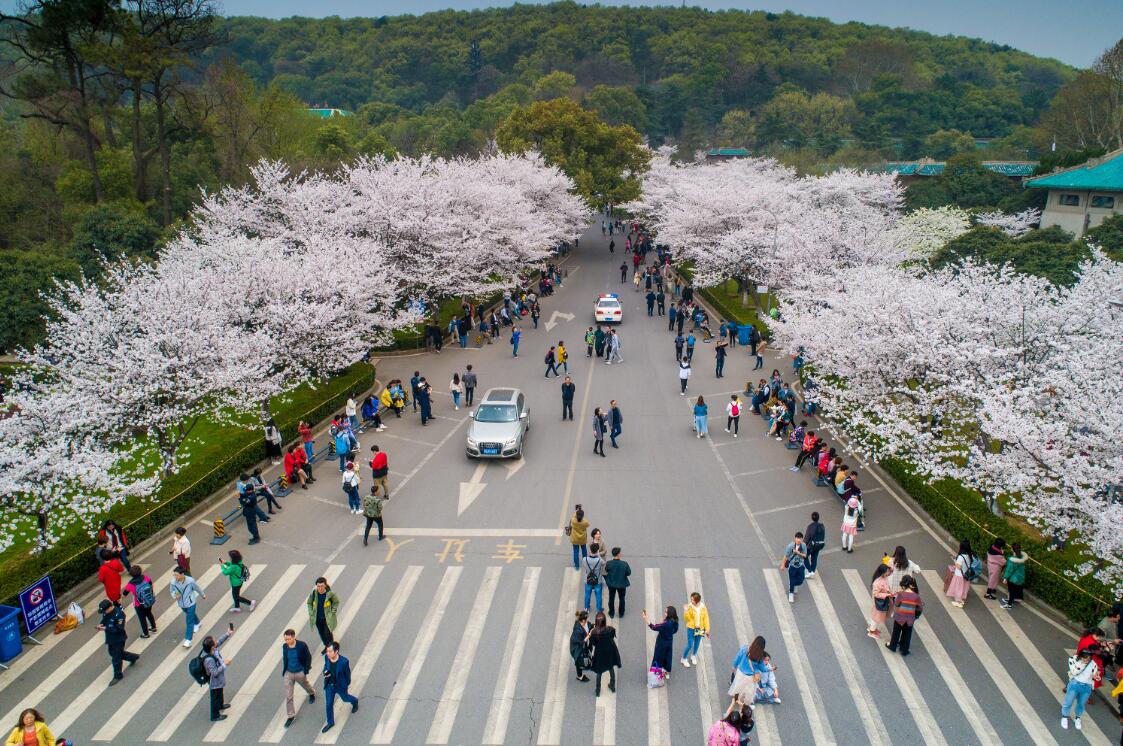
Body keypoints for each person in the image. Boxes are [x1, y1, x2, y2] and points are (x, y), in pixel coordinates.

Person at [96, 599, 139, 685]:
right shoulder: (106, 612)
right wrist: (101, 624)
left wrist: (106, 629)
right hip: (110, 637)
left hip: (119, 639)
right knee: (112, 653)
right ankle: (133, 657)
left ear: (109, 608)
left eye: (105, 610)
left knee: (116, 658)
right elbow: (105, 619)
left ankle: (118, 675)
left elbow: (119, 628)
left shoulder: (119, 614)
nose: (104, 612)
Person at [321, 641, 359, 733]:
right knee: (329, 704)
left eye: (330, 651)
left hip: (340, 686)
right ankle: (330, 722)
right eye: (327, 651)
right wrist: (325, 672)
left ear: (336, 651)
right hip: (329, 685)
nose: (328, 653)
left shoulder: (344, 662)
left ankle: (355, 701)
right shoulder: (327, 657)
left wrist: (346, 684)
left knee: (345, 698)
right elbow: (326, 666)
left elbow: (347, 674)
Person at [280, 629, 315, 729]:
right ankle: (291, 716)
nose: (286, 641)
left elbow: (308, 657)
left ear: (294, 637)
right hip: (289, 673)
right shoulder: (285, 646)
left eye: (288, 639)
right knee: (288, 696)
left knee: (306, 685)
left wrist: (306, 670)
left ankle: (312, 693)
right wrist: (285, 670)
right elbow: (285, 658)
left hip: (300, 672)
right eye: (285, 639)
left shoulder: (301, 645)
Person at [1062, 646, 1100, 730]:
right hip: (1075, 683)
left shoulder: (1093, 663)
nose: (1086, 660)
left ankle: (1077, 718)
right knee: (1068, 702)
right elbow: (1074, 672)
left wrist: (1096, 676)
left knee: (1081, 704)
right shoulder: (1073, 659)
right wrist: (1082, 664)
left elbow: (1095, 675)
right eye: (1084, 658)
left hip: (1087, 686)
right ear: (1080, 656)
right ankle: (1065, 717)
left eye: (1088, 658)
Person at [202, 628, 234, 721]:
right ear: (212, 647)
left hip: (218, 680)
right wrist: (225, 664)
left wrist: (228, 633)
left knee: (220, 692)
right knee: (214, 697)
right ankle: (215, 715)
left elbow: (219, 641)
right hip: (214, 681)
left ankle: (220, 705)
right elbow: (214, 672)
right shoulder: (209, 659)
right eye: (214, 640)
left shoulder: (212, 649)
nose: (216, 641)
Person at [886, 575, 923, 656]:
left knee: (896, 633)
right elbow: (920, 608)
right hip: (910, 619)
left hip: (899, 617)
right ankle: (904, 649)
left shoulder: (901, 594)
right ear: (911, 584)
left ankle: (893, 646)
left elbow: (897, 604)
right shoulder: (916, 596)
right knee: (907, 634)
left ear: (903, 585)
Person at [586, 611, 621, 697]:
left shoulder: (594, 632)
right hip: (609, 651)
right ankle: (612, 685)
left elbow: (593, 643)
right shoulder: (610, 629)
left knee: (599, 671)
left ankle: (598, 690)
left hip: (599, 653)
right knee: (610, 667)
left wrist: (592, 632)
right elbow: (612, 637)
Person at [170, 565, 205, 648]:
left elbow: (197, 588)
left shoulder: (190, 581)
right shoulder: (173, 582)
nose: (175, 577)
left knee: (189, 621)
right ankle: (198, 623)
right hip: (181, 604)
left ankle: (188, 640)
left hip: (191, 603)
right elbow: (171, 591)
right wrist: (175, 596)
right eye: (174, 575)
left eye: (177, 575)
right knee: (190, 615)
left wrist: (202, 594)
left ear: (182, 574)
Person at [121, 565, 158, 638]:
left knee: (142, 618)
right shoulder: (146, 578)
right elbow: (151, 586)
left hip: (138, 604)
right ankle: (153, 627)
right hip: (148, 600)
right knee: (149, 613)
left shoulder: (130, 584)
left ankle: (146, 633)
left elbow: (124, 595)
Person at [644, 606, 679, 678]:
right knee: (667, 656)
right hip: (669, 641)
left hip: (661, 642)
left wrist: (646, 619)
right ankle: (666, 671)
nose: (665, 613)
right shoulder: (675, 621)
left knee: (658, 656)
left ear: (670, 613)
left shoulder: (666, 624)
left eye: (666, 612)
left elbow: (654, 627)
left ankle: (657, 672)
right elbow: (675, 630)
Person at [306, 577, 340, 652]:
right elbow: (309, 603)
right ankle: (326, 645)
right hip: (317, 618)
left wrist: (333, 611)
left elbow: (336, 602)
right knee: (321, 633)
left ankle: (331, 647)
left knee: (327, 633)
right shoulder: (314, 593)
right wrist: (311, 612)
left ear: (325, 585)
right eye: (318, 586)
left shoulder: (330, 594)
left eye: (321, 586)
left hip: (327, 618)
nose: (320, 588)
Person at [219, 550, 255, 614]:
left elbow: (225, 572)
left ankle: (250, 603)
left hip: (235, 583)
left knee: (236, 596)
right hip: (239, 581)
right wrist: (226, 563)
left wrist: (222, 565)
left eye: (230, 557)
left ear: (233, 558)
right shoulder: (239, 561)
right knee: (235, 595)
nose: (230, 558)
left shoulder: (233, 567)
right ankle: (237, 607)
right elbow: (232, 565)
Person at [681, 592, 710, 668]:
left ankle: (693, 655)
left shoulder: (703, 608)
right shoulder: (690, 607)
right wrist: (686, 611)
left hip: (700, 629)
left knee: (697, 643)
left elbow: (706, 619)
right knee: (690, 644)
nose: (691, 601)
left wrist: (707, 629)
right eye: (691, 599)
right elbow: (687, 619)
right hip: (691, 628)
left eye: (692, 600)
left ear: (697, 601)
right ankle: (683, 658)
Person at [945, 540, 976, 608]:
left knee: (958, 588)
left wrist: (955, 561)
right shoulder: (969, 555)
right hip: (966, 574)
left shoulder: (961, 557)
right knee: (963, 588)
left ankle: (958, 602)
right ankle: (961, 599)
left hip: (959, 575)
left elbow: (958, 567)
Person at [867, 564, 894, 639]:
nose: (888, 573)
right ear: (882, 572)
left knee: (876, 617)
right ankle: (871, 632)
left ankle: (873, 629)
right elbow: (876, 594)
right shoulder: (877, 582)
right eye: (887, 572)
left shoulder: (884, 577)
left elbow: (891, 571)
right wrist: (887, 595)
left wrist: (890, 568)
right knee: (876, 617)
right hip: (879, 602)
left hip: (882, 601)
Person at [604, 547, 630, 618]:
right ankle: (621, 613)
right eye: (620, 553)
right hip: (621, 585)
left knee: (611, 598)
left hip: (611, 584)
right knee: (622, 599)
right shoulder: (624, 564)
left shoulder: (609, 563)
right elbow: (628, 573)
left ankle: (611, 613)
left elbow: (606, 570)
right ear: (618, 554)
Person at [781, 532, 807, 603]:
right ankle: (791, 594)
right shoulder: (790, 546)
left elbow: (805, 555)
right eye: (797, 538)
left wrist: (798, 553)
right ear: (795, 538)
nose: (799, 540)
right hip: (792, 566)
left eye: (800, 539)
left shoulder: (803, 545)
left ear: (802, 539)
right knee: (792, 580)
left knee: (801, 580)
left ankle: (793, 584)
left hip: (800, 565)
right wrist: (783, 565)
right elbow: (785, 556)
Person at [1000, 543, 1028, 609]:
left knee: (1011, 591)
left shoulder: (1012, 559)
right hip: (1020, 577)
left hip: (1013, 578)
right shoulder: (1022, 557)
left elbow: (1009, 570)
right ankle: (1012, 599)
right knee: (1016, 589)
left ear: (1012, 549)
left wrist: (1005, 578)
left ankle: (1009, 604)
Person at [570, 610, 592, 683]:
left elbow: (588, 625)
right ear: (583, 620)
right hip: (577, 649)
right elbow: (582, 641)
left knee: (585, 655)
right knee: (578, 662)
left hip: (582, 646)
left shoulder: (583, 623)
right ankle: (579, 676)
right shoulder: (578, 630)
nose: (587, 621)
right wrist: (589, 634)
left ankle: (585, 665)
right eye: (586, 620)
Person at [583, 543, 606, 612]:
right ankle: (598, 609)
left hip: (588, 579)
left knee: (587, 594)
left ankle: (586, 608)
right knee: (598, 595)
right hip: (598, 580)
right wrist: (598, 555)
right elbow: (604, 563)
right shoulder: (599, 560)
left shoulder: (585, 559)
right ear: (597, 551)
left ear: (590, 550)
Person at [804, 512, 826, 577]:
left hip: (811, 546)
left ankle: (810, 570)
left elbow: (807, 537)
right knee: (814, 558)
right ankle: (813, 571)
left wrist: (803, 545)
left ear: (812, 518)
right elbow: (823, 536)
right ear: (818, 518)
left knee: (804, 557)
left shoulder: (810, 526)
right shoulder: (822, 526)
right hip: (819, 545)